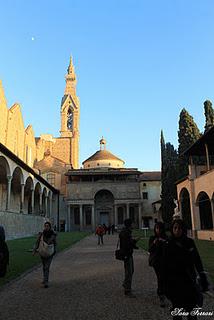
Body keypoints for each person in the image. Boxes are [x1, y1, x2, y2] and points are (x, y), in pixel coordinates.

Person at [163, 219, 209, 320]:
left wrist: (202, 276)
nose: (177, 230)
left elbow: (197, 260)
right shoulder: (168, 244)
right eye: (175, 228)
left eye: (180, 228)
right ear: (172, 229)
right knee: (177, 310)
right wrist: (165, 284)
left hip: (189, 280)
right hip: (175, 281)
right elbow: (165, 266)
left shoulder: (189, 242)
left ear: (183, 229)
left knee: (192, 309)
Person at [148, 221, 168, 307]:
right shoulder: (153, 238)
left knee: (164, 278)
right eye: (156, 228)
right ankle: (161, 295)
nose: (158, 230)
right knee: (160, 277)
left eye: (159, 228)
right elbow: (149, 250)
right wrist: (154, 243)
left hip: (165, 261)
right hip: (157, 262)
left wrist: (164, 242)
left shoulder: (166, 238)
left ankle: (164, 292)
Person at [33, 221, 57, 288]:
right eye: (45, 226)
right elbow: (37, 242)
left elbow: (55, 243)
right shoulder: (42, 234)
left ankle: (46, 282)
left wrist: (55, 250)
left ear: (50, 227)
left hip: (50, 253)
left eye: (47, 226)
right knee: (44, 266)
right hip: (42, 252)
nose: (46, 227)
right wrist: (34, 250)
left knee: (47, 267)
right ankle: (44, 279)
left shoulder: (53, 234)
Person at [119, 218, 139, 297]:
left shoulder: (125, 232)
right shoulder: (126, 232)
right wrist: (135, 241)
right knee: (129, 272)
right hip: (127, 254)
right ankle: (127, 290)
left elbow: (127, 243)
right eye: (132, 223)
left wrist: (133, 243)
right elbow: (127, 244)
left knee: (131, 270)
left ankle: (125, 283)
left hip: (127, 253)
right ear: (130, 224)